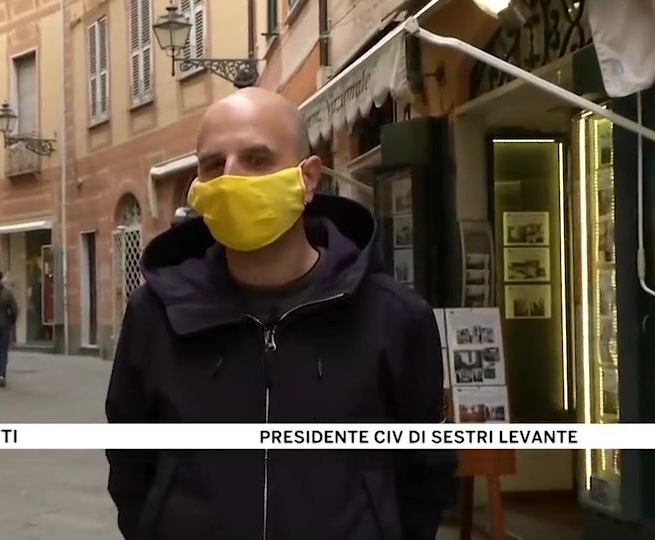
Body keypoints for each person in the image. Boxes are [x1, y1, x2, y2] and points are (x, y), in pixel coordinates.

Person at [105, 88, 455, 539]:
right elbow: (131, 461)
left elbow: (426, 471)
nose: (231, 178)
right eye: (214, 165)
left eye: (256, 159)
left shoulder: (396, 319)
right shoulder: (156, 314)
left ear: (308, 178)